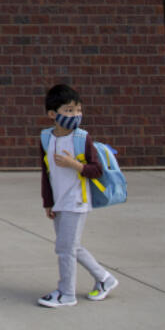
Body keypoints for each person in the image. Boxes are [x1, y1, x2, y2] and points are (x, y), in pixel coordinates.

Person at [38, 83, 119, 307]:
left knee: (65, 249)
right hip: (60, 201)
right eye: (69, 110)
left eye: (78, 110)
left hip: (77, 200)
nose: (76, 115)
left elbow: (96, 170)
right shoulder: (47, 138)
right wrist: (48, 202)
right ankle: (105, 279)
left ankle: (67, 294)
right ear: (53, 114)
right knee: (70, 246)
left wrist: (75, 164)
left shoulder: (82, 139)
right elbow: (46, 173)